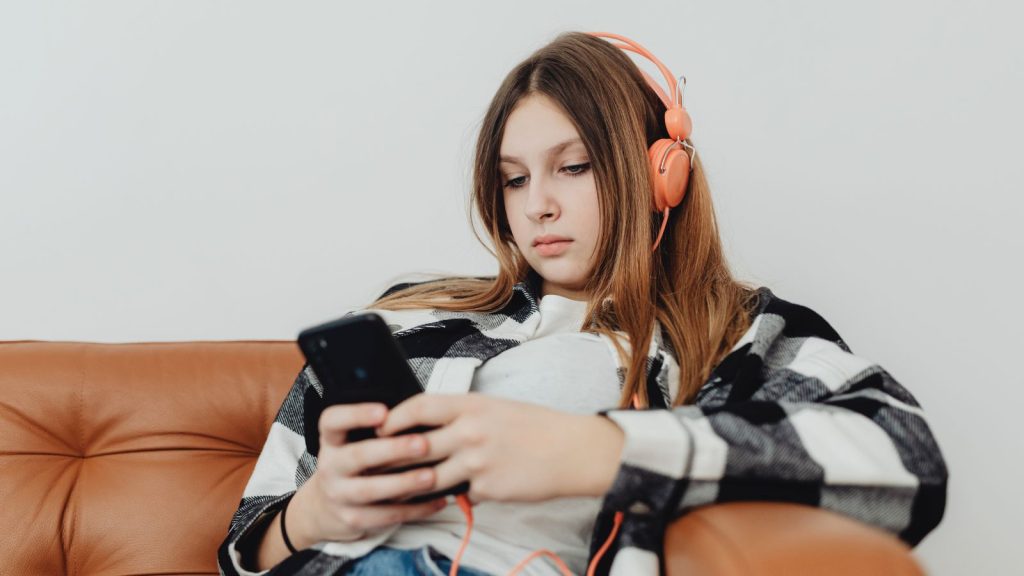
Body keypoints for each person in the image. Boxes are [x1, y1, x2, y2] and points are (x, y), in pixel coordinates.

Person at [216, 31, 948, 576]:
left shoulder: (736, 333)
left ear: (661, 175)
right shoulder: (405, 319)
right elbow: (243, 545)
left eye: (573, 166)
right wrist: (317, 512)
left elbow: (906, 459)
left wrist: (598, 451)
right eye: (513, 179)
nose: (537, 205)